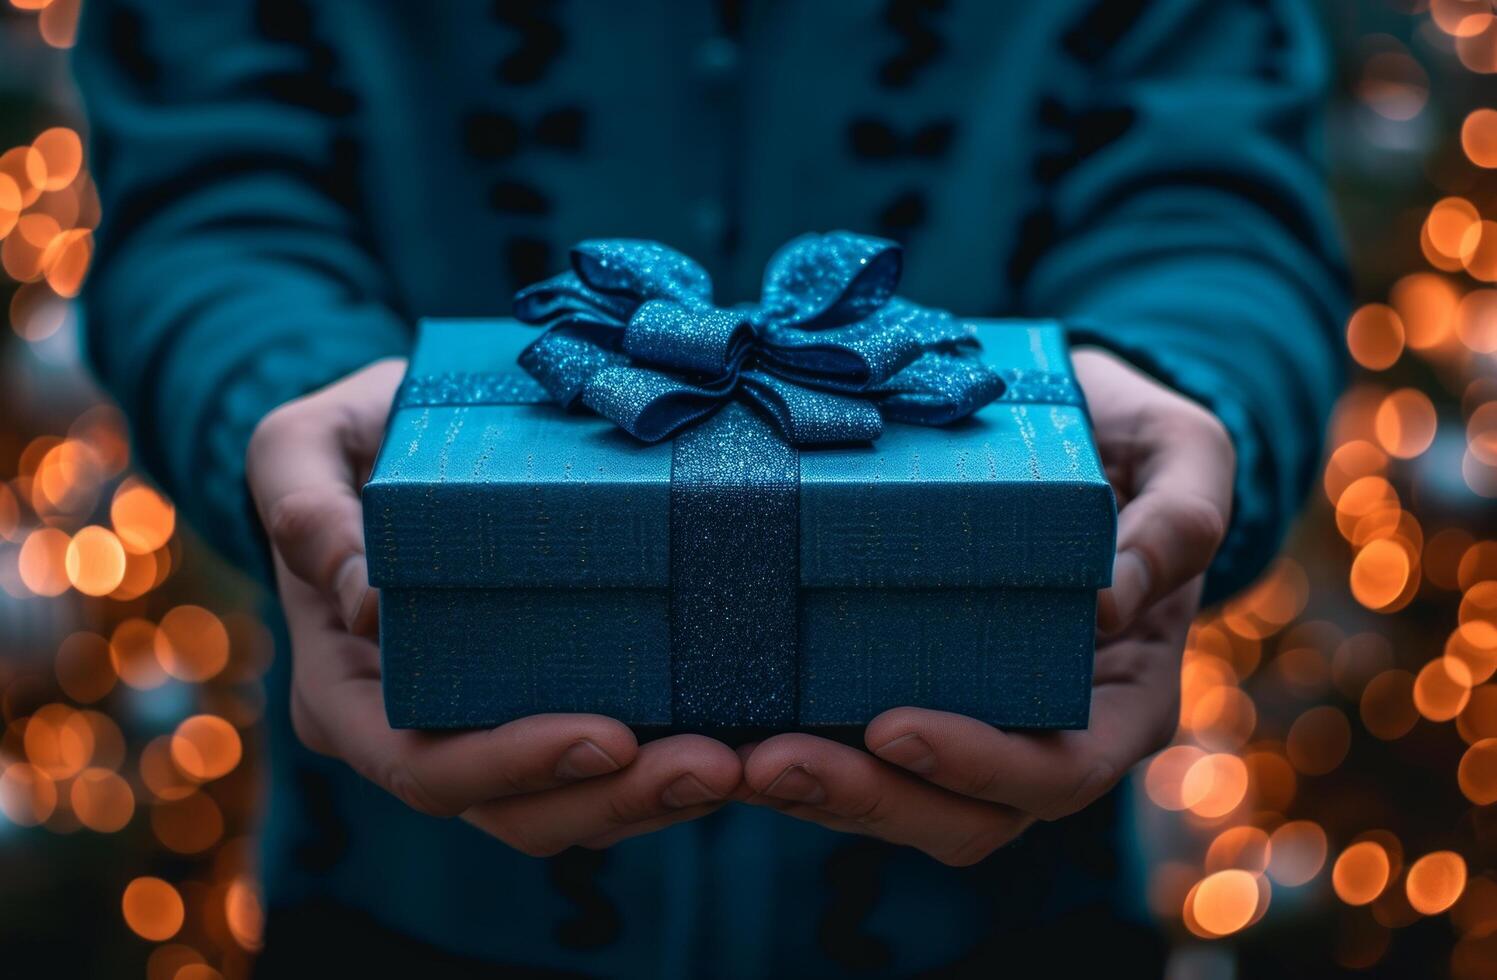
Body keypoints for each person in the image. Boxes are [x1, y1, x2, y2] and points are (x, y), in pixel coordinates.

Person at [74, 1, 1347, 976]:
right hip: (402, 905)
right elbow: (211, 182)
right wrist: (288, 401)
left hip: (1012, 919)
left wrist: (1182, 393)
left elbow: (1212, 178)